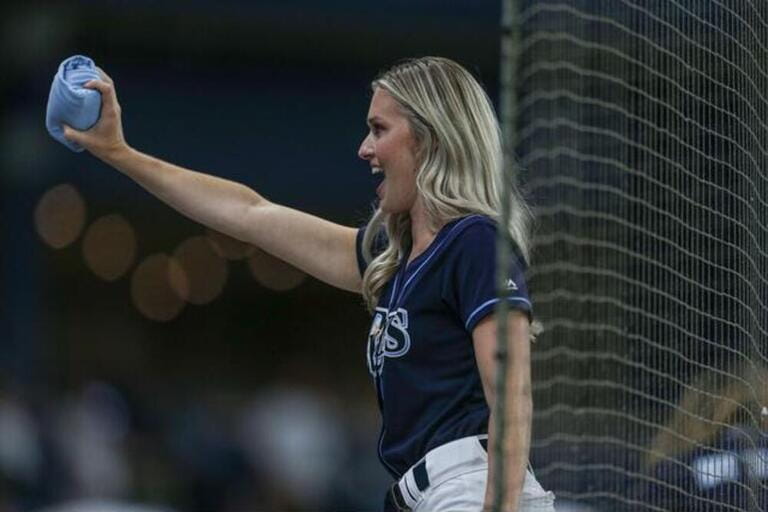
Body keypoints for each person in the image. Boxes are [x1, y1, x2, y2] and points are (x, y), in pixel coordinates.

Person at [60, 56, 555, 512]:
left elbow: (512, 394)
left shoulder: (474, 240)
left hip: (475, 489)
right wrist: (120, 154)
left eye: (379, 129)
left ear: (429, 138)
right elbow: (249, 213)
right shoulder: (392, 260)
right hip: (425, 495)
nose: (365, 149)